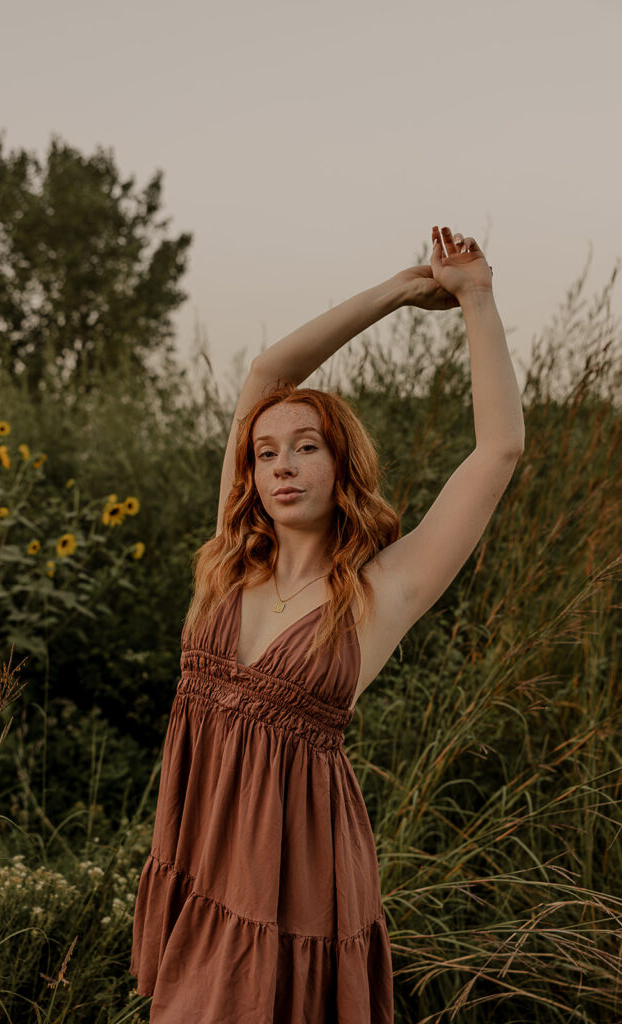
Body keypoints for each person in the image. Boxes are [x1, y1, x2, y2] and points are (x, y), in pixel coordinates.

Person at [129, 225, 525, 1022]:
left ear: (338, 466)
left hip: (295, 873)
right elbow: (270, 371)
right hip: (202, 850)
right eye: (266, 451)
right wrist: (399, 289)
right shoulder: (229, 562)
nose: (280, 464)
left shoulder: (383, 590)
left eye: (304, 447)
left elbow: (499, 451)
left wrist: (473, 297)